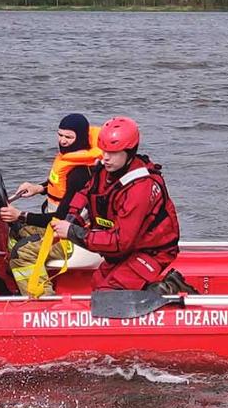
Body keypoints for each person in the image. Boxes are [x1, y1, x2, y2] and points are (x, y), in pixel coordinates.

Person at [50, 117, 184, 291]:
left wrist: (73, 232)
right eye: (104, 151)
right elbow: (85, 195)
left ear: (129, 152)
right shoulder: (104, 172)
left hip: (151, 252)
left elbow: (121, 241)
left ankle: (168, 288)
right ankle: (156, 287)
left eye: (112, 153)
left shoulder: (140, 188)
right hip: (128, 250)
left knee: (110, 293)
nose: (105, 158)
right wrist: (71, 219)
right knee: (98, 282)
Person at [0, 114, 101, 275]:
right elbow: (61, 187)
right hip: (59, 227)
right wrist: (38, 188)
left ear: (80, 138)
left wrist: (20, 214)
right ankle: (14, 279)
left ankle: (42, 296)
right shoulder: (71, 163)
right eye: (60, 135)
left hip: (74, 237)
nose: (63, 140)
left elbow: (60, 217)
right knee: (17, 231)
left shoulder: (80, 172)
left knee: (22, 253)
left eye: (69, 137)